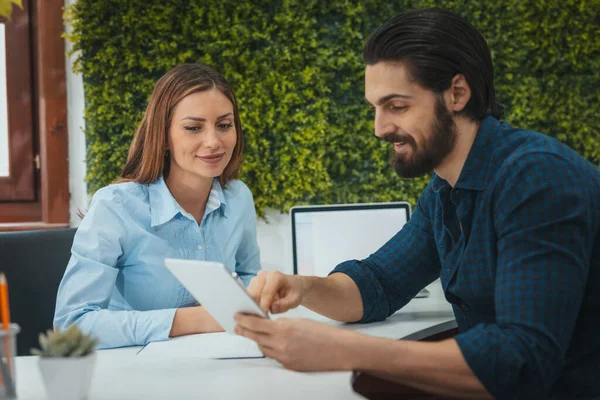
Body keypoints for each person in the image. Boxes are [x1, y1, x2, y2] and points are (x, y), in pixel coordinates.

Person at [234, 8, 600, 400]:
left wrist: (346, 351)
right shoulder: (444, 190)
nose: (379, 128)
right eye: (375, 107)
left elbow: (521, 360)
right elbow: (377, 284)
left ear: (457, 94)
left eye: (397, 106)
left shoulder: (535, 178)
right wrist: (301, 287)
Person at [54, 63, 261, 349]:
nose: (214, 141)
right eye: (193, 127)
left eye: (224, 125)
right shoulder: (115, 207)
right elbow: (71, 325)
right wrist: (197, 319)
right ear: (163, 136)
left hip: (218, 360)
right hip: (134, 372)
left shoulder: (239, 198)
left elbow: (250, 278)